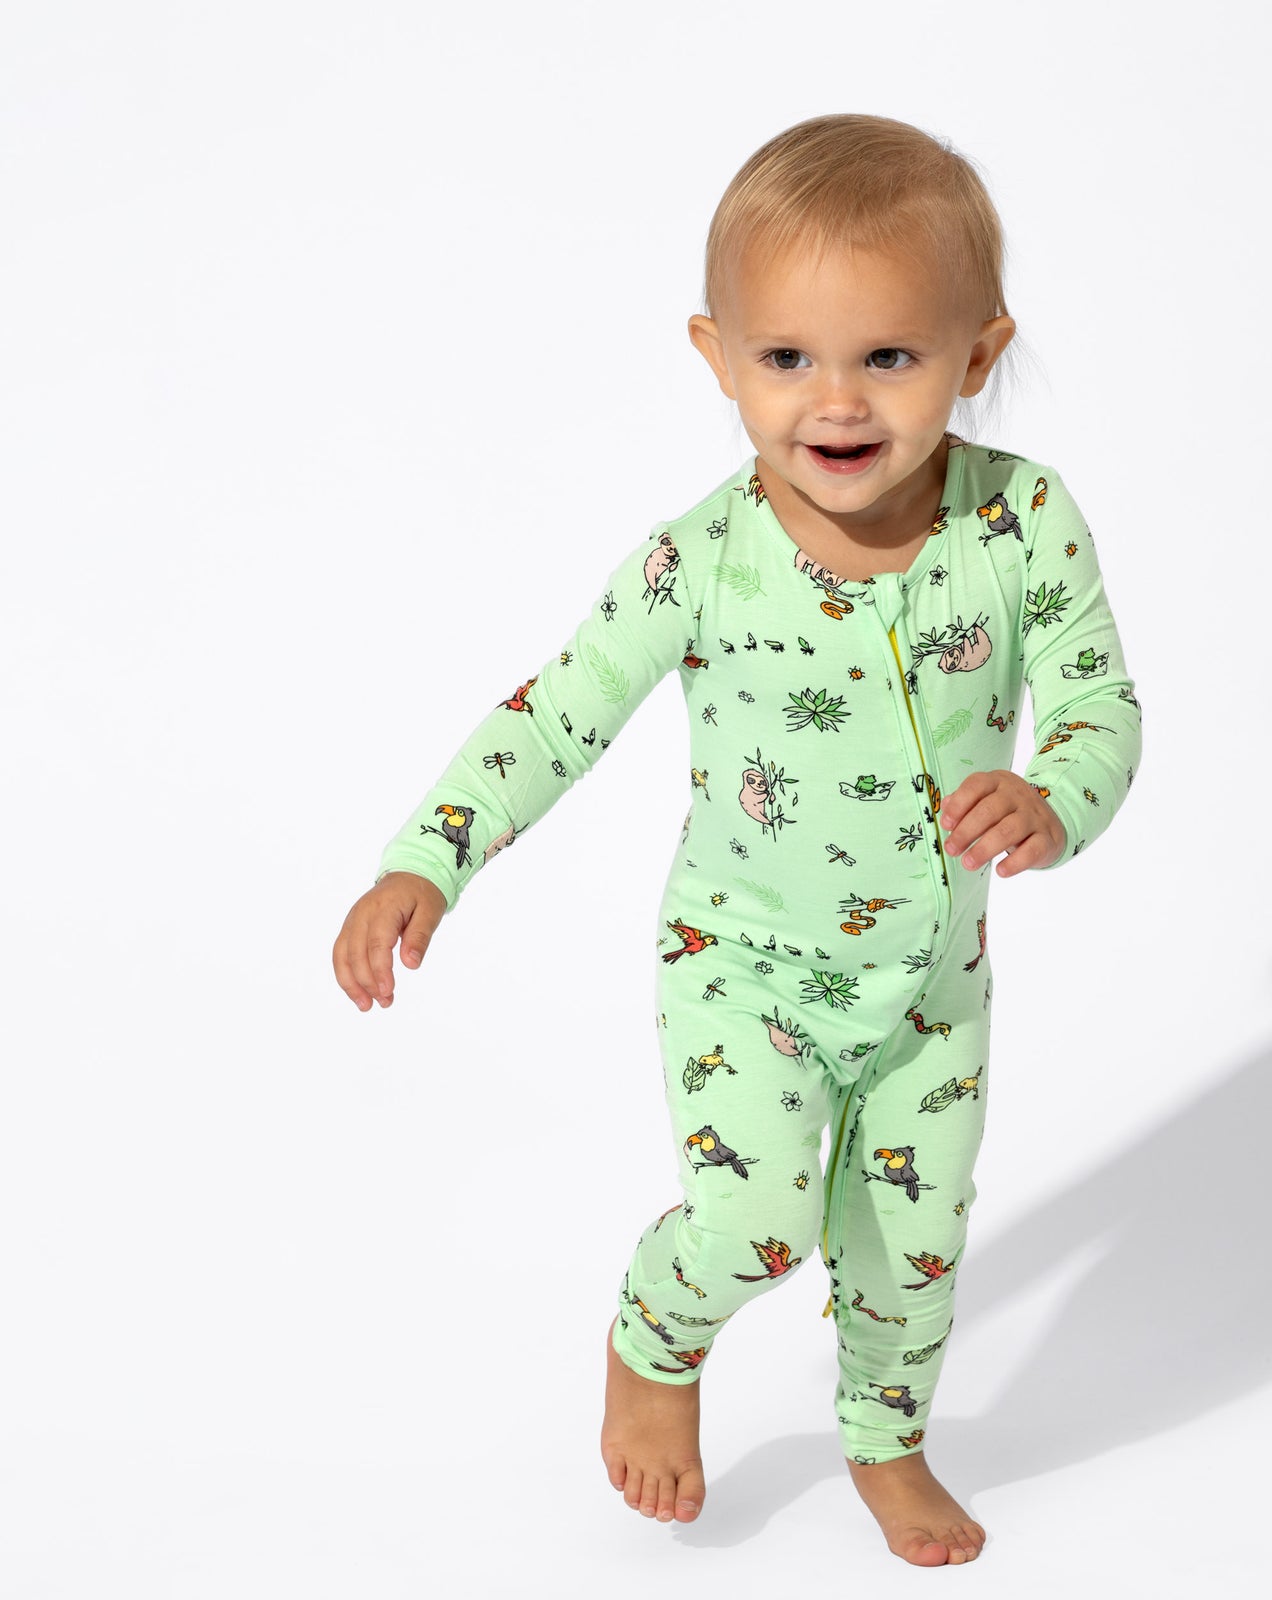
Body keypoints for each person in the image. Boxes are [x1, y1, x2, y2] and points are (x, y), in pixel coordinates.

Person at [332, 113, 1143, 1567]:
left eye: (888, 355)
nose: (836, 400)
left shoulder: (1022, 522)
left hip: (934, 983)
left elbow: (1099, 703)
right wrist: (427, 857)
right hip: (744, 967)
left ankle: (886, 1440)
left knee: (915, 1245)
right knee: (763, 1215)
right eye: (786, 358)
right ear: (717, 357)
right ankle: (657, 1339)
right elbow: (560, 709)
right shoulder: (697, 562)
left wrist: (1056, 797)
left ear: (977, 353)